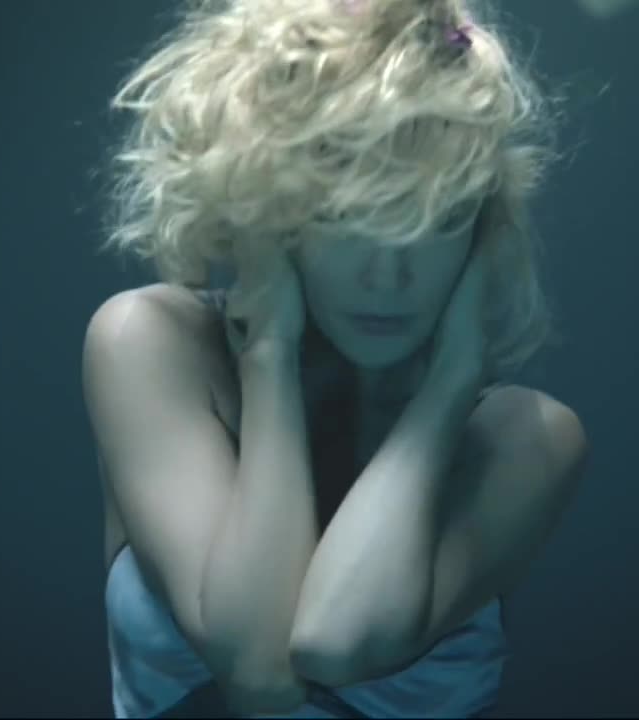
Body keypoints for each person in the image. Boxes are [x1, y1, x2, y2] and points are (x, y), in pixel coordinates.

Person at [82, 0, 589, 716]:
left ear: (482, 229)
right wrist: (269, 353)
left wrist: (448, 386)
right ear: (266, 205)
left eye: (436, 218)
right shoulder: (150, 344)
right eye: (348, 216)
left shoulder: (528, 438)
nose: (390, 276)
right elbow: (259, 671)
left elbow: (336, 639)